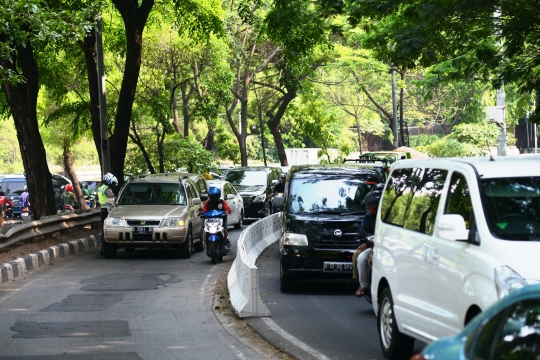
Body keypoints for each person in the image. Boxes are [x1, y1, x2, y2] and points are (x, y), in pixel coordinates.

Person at [353, 185, 383, 297]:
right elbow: (363, 231)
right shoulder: (368, 217)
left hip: (385, 247)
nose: (369, 207)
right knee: (361, 258)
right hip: (372, 246)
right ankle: (364, 285)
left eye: (371, 205)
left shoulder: (386, 217)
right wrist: (364, 242)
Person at [201, 186, 232, 253]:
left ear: (218, 195)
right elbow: (204, 210)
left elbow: (228, 209)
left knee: (225, 231)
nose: (213, 198)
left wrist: (227, 211)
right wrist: (202, 214)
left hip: (220, 221)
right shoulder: (207, 203)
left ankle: (224, 242)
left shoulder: (222, 202)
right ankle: (206, 242)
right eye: (212, 196)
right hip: (209, 221)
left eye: (215, 196)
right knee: (204, 231)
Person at [98, 173, 118, 255]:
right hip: (107, 210)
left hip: (102, 210)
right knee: (107, 229)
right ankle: (105, 247)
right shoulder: (106, 189)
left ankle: (103, 247)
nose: (113, 185)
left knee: (103, 229)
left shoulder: (100, 188)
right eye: (112, 183)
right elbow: (113, 198)